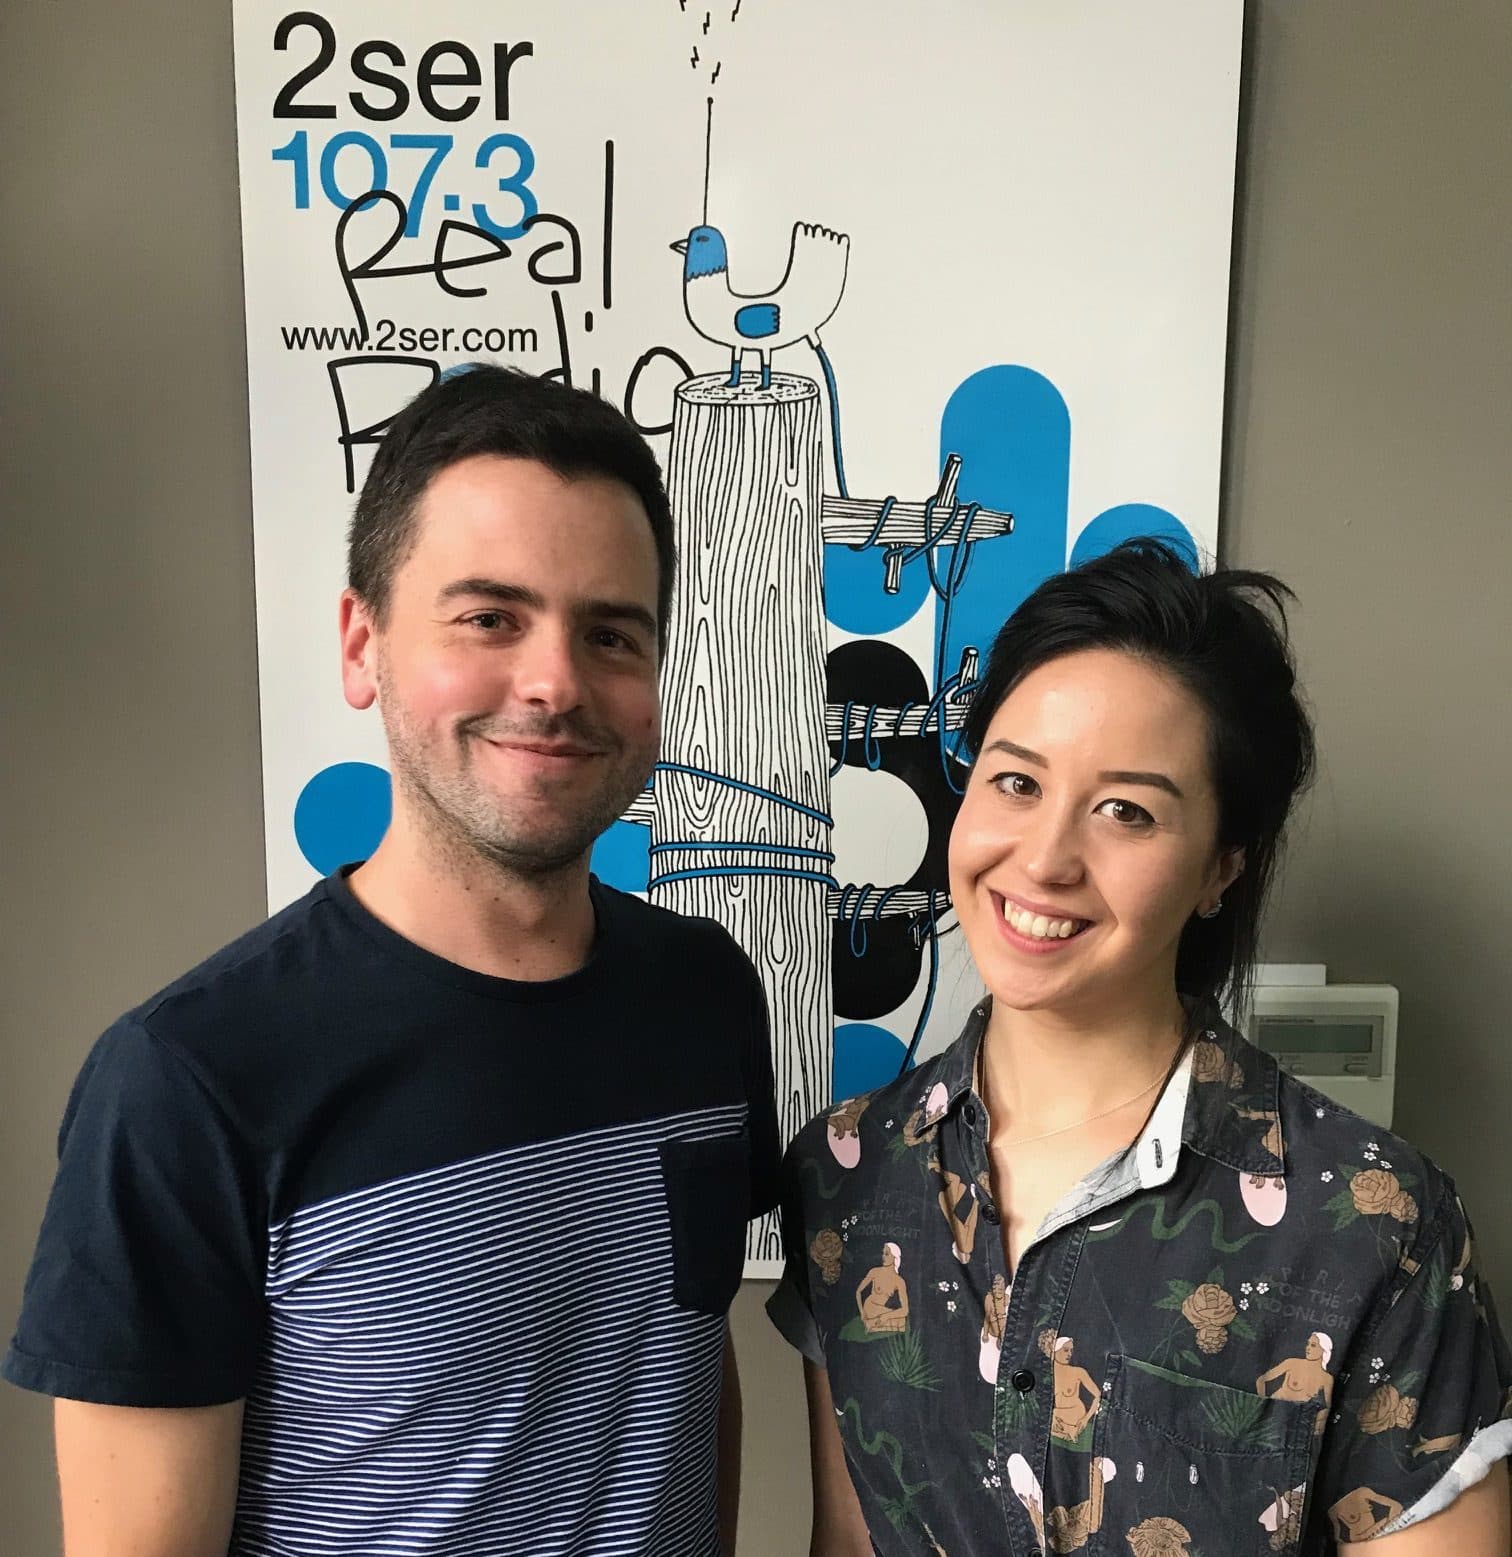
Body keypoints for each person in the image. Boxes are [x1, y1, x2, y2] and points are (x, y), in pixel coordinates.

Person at [4, 365, 781, 1556]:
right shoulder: (185, 1081)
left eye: (611, 634)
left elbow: (680, 1363)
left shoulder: (707, 993)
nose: (556, 682)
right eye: (489, 618)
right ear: (362, 644)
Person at [768, 540, 1511, 1555]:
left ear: (1221, 868)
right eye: (1016, 782)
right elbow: (852, 1538)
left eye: (1127, 810)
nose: (1045, 858)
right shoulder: (846, 1172)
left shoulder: (1376, 1222)